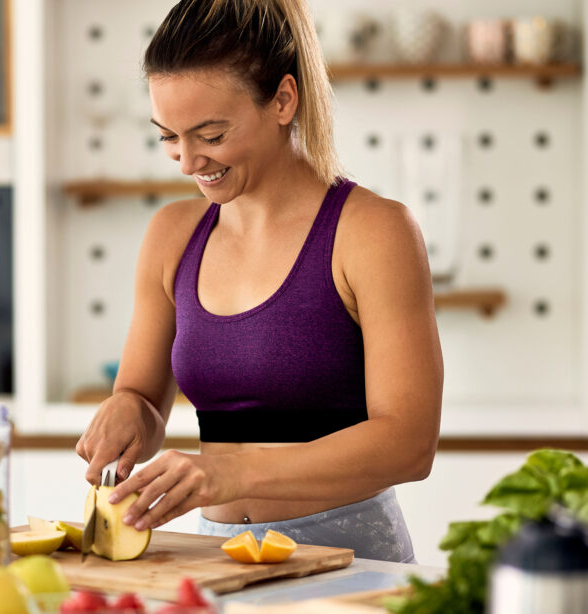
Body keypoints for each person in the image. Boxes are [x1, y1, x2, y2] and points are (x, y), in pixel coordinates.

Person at [74, 0, 443, 563]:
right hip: (216, 558)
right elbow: (146, 402)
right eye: (168, 137)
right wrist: (128, 408)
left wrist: (233, 474)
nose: (187, 162)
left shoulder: (372, 231)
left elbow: (409, 444)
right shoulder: (173, 234)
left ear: (283, 99)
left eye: (211, 134)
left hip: (352, 560)